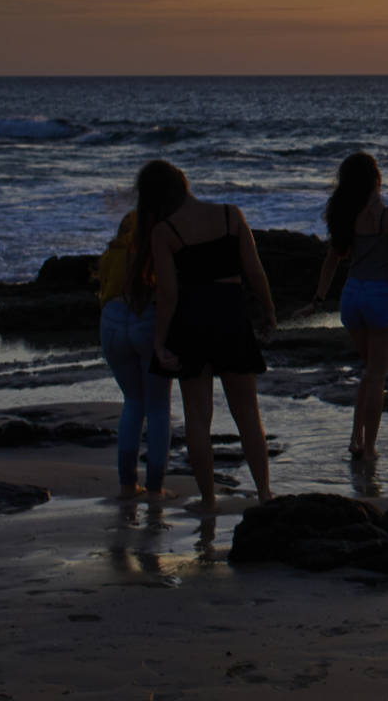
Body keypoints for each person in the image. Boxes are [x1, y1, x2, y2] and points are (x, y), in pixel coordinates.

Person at [141, 160, 276, 511]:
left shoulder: (165, 231)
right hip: (230, 313)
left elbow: (167, 295)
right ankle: (264, 493)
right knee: (248, 413)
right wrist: (268, 310)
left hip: (191, 317)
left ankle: (208, 500)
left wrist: (159, 341)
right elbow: (255, 272)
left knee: (197, 418)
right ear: (184, 182)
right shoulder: (231, 215)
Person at [298, 152, 388, 460]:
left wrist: (316, 300)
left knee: (369, 372)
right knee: (377, 375)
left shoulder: (347, 216)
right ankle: (368, 448)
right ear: (376, 179)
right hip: (381, 295)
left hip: (352, 297)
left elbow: (332, 260)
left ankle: (356, 438)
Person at [96, 207, 170, 500]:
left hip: (112, 320)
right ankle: (155, 487)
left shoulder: (111, 256)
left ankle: (127, 483)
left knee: (132, 403)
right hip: (147, 319)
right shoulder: (157, 253)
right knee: (158, 408)